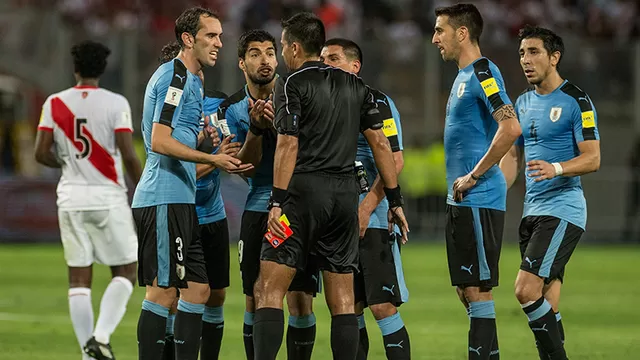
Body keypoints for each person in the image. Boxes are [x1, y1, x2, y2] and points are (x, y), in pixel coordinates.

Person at [252, 12, 409, 360]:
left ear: (293, 47)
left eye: (281, 46)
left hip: (300, 198)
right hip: (344, 201)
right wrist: (395, 199)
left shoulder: (291, 83)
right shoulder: (359, 88)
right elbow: (381, 144)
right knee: (343, 300)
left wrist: (277, 201)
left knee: (268, 288)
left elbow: (288, 144)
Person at [131, 7, 253, 360]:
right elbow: (158, 140)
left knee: (199, 289)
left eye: (219, 36)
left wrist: (203, 143)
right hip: (163, 197)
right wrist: (212, 158)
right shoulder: (176, 78)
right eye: (210, 36)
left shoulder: (194, 81)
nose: (219, 43)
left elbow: (177, 137)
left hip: (182, 199)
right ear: (188, 39)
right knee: (163, 292)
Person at [34, 40, 142, 360]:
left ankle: (87, 353)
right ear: (103, 69)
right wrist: (146, 190)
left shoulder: (54, 103)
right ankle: (102, 337)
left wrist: (65, 164)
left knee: (78, 278)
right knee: (126, 270)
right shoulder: (116, 103)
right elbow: (127, 154)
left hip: (70, 199)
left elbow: (41, 153)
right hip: (108, 196)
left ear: (75, 68)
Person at [499, 25, 601, 360]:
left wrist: (555, 168)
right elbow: (514, 155)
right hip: (532, 211)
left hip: (562, 209)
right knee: (546, 304)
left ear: (554, 57)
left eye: (533, 52)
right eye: (521, 54)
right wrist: (497, 192)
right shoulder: (523, 101)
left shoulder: (576, 100)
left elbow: (593, 157)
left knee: (524, 290)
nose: (525, 60)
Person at [219, 29, 319, 360]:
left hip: (296, 207)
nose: (265, 60)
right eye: (255, 53)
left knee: (300, 297)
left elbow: (308, 153)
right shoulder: (230, 109)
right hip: (258, 206)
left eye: (270, 52)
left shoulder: (297, 95)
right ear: (241, 62)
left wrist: (280, 127)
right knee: (254, 295)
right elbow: (241, 165)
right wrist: (256, 129)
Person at [432, 3, 522, 359]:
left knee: (477, 290)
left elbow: (510, 127)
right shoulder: (463, 76)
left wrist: (475, 174)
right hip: (462, 202)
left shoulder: (484, 71)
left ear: (462, 33)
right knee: (467, 290)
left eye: (440, 30)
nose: (435, 38)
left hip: (478, 198)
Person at [320, 38, 411, 360]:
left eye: (333, 58)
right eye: (322, 59)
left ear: (354, 66)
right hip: (334, 220)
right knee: (348, 307)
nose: (325, 65)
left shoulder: (376, 102)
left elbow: (394, 160)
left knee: (382, 305)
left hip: (370, 218)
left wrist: (365, 209)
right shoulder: (322, 106)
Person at [157, 40, 239, 360]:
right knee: (176, 297)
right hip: (181, 214)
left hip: (212, 215)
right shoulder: (167, 115)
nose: (198, 78)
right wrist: (215, 158)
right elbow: (180, 171)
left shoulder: (216, 104)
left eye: (200, 72)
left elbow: (230, 147)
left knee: (216, 295)